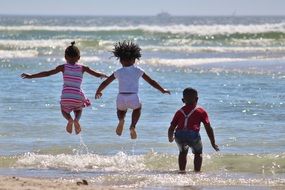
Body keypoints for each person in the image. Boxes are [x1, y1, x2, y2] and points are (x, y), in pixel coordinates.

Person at [21, 41, 108, 135]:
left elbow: (47, 73)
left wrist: (31, 76)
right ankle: (76, 120)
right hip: (78, 95)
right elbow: (97, 74)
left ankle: (69, 119)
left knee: (63, 110)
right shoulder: (83, 68)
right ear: (79, 57)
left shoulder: (63, 67)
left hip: (66, 96)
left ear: (65, 57)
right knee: (79, 109)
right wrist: (106, 76)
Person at [95, 41, 170, 139]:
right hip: (133, 96)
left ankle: (121, 120)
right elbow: (151, 81)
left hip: (121, 97)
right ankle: (133, 126)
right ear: (134, 60)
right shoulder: (138, 70)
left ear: (120, 60)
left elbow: (105, 82)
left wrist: (99, 91)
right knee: (138, 108)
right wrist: (162, 90)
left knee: (120, 110)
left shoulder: (118, 72)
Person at [168, 87, 219, 173]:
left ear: (182, 100)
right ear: (197, 99)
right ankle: (197, 172)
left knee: (182, 153)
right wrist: (213, 142)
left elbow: (172, 127)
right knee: (198, 153)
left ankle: (182, 171)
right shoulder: (201, 111)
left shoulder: (179, 112)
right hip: (193, 135)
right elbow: (208, 127)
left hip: (179, 135)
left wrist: (170, 138)